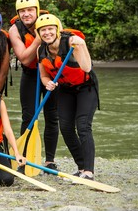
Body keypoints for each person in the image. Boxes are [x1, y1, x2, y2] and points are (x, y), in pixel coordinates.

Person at [35, 14, 99, 180]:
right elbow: (44, 76)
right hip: (65, 89)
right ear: (39, 33)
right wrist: (48, 83)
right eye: (43, 30)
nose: (47, 33)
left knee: (83, 125)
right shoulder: (41, 50)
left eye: (50, 29)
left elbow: (86, 67)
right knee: (66, 127)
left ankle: (89, 172)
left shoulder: (70, 42)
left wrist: (81, 45)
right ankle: (81, 167)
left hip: (86, 87)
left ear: (57, 30)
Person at [8, 0, 60, 171]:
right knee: (28, 116)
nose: (26, 14)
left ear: (37, 10)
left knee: (52, 116)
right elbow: (23, 58)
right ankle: (25, 157)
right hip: (30, 74)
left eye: (30, 10)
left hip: (49, 73)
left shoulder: (49, 23)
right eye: (22, 11)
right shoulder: (15, 30)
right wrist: (39, 37)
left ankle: (49, 160)